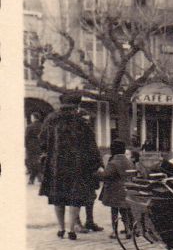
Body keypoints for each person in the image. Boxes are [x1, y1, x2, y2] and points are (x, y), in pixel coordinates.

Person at [39, 93, 103, 240]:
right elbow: (91, 146)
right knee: (75, 197)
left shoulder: (50, 120)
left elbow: (42, 140)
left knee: (58, 197)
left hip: (55, 166)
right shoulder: (80, 122)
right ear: (77, 105)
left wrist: (47, 155)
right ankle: (71, 230)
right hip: (76, 166)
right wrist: (97, 164)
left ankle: (61, 229)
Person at [97, 139, 135, 239]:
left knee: (114, 212)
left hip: (115, 191)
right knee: (125, 211)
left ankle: (114, 231)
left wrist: (100, 171)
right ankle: (128, 230)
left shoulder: (113, 162)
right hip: (126, 189)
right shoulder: (128, 161)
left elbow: (106, 175)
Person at [25, 111, 43, 184]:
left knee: (32, 163)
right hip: (40, 146)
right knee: (38, 162)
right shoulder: (43, 126)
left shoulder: (29, 127)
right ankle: (38, 178)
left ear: (33, 118)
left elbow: (26, 138)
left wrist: (26, 146)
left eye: (31, 117)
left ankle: (34, 179)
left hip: (31, 147)